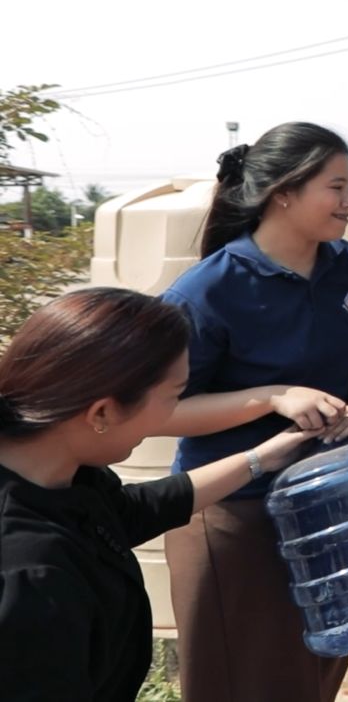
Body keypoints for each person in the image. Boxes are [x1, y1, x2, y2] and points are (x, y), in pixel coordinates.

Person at [159, 122, 348, 701]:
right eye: (336, 187)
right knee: (244, 680)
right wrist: (274, 396)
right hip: (236, 513)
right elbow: (159, 412)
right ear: (283, 192)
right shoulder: (207, 291)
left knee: (319, 667)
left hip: (330, 501)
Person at [0, 289, 313, 701]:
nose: (173, 412)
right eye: (173, 395)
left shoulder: (58, 473)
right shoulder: (29, 577)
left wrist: (261, 458)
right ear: (102, 413)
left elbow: (126, 513)